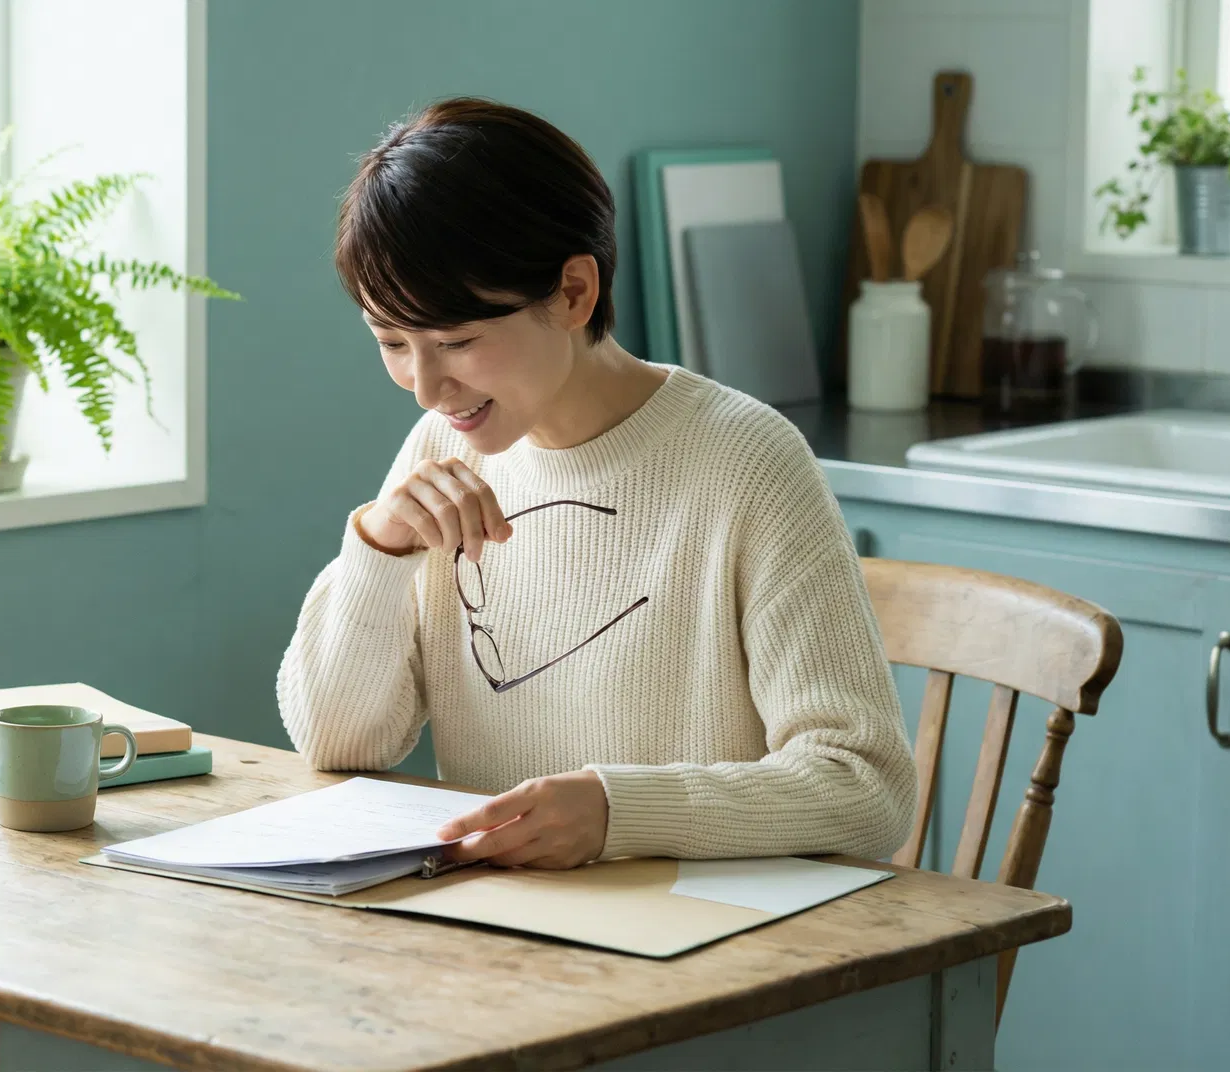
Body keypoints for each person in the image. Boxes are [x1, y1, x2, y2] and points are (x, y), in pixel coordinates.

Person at [275, 97, 916, 870]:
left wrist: (620, 812)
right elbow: (338, 743)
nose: (425, 388)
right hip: (497, 920)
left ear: (574, 292)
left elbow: (865, 787)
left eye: (458, 341)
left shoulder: (747, 461)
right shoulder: (444, 448)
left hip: (701, 927)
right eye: (391, 342)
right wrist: (380, 547)